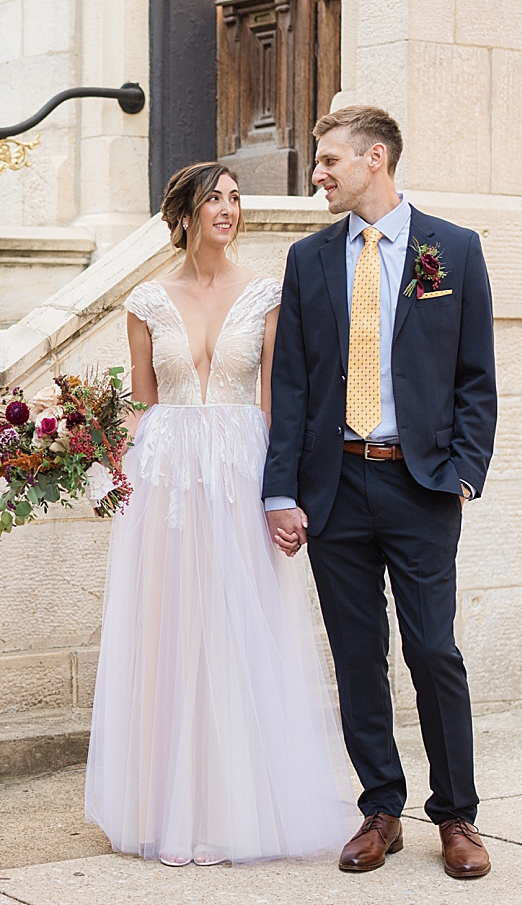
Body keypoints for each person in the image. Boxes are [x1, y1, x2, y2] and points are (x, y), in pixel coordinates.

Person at [85, 161, 356, 867]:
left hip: (240, 473)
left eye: (235, 199)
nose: (229, 209)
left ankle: (236, 809)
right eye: (215, 199)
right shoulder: (146, 301)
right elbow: (142, 403)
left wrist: (282, 492)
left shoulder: (268, 292)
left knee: (239, 631)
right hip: (167, 480)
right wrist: (105, 461)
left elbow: (276, 402)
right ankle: (169, 807)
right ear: (184, 214)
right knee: (171, 632)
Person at [263, 105, 497, 879]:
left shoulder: (451, 251)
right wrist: (280, 492)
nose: (318, 173)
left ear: (375, 159)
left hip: (421, 483)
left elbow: (475, 377)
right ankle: (380, 808)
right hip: (334, 485)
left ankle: (456, 815)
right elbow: (291, 387)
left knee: (434, 649)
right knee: (359, 654)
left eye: (329, 159)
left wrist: (463, 469)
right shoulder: (309, 259)